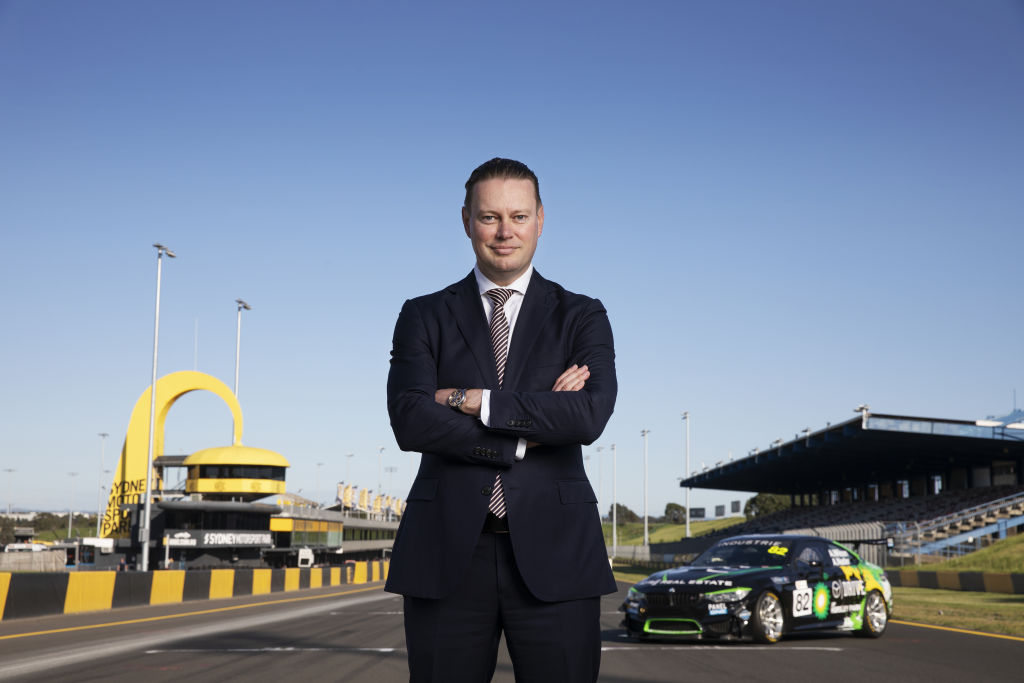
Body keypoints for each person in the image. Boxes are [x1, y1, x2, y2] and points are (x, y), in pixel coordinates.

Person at [386, 158, 617, 682]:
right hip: (446, 554)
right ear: (466, 219)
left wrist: (469, 399)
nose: (505, 231)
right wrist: (523, 436)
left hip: (558, 554)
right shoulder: (422, 314)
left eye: (518, 215)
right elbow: (410, 419)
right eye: (490, 217)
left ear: (540, 219)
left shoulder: (582, 314)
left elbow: (586, 414)